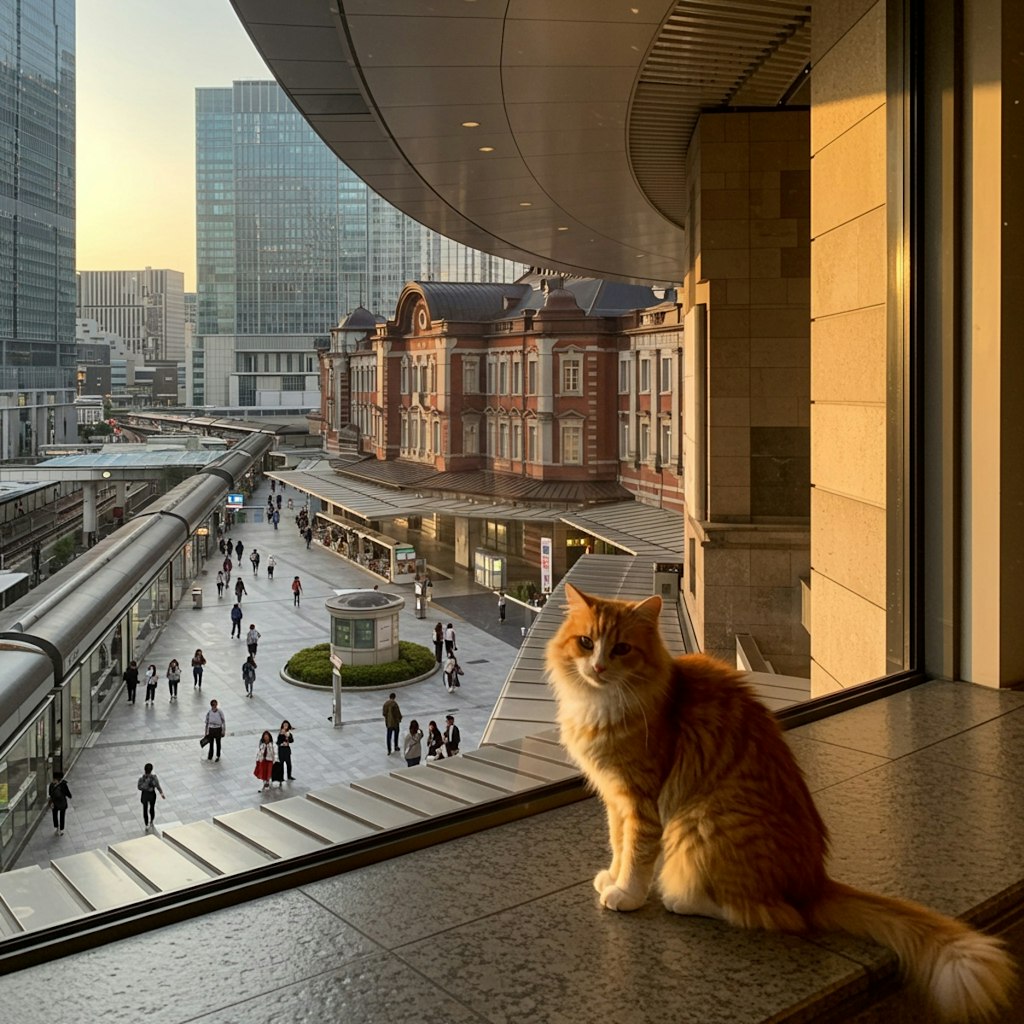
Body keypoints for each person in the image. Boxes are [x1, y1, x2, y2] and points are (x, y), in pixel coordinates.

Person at [137, 762, 165, 829]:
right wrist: (161, 793)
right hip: (152, 794)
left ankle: (146, 824)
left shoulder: (142, 778)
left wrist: (145, 787)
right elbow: (157, 785)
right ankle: (151, 821)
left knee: (145, 809)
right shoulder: (153, 777)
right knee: (152, 808)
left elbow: (139, 787)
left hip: (144, 795)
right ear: (151, 770)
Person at [47, 770, 72, 836]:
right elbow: (68, 794)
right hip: (62, 803)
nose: (53, 780)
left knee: (55, 815)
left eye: (54, 779)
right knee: (61, 815)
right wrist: (69, 795)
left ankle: (57, 827)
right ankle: (60, 829)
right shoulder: (63, 785)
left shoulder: (51, 785)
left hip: (55, 803)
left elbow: (50, 793)